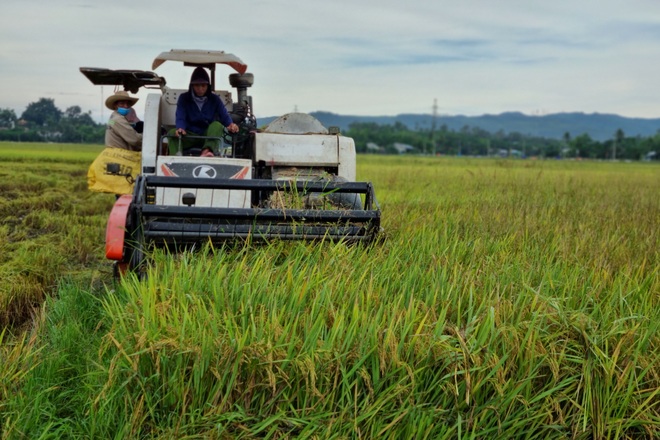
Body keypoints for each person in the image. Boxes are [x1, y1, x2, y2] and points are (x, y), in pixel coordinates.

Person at [168, 66, 239, 156]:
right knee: (171, 133)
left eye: (203, 85)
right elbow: (180, 116)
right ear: (192, 85)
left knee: (217, 125)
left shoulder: (215, 99)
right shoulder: (184, 98)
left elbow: (224, 115)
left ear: (208, 86)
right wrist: (180, 128)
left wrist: (230, 125)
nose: (200, 88)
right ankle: (175, 159)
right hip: (189, 135)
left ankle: (206, 151)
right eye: (197, 85)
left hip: (208, 135)